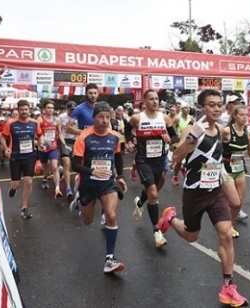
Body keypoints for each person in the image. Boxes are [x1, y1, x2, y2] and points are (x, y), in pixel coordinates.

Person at [157, 89, 248, 307]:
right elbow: (177, 157)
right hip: (195, 193)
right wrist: (192, 137)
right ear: (201, 108)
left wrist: (224, 175)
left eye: (219, 104)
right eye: (211, 104)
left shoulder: (221, 131)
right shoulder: (192, 128)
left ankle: (228, 286)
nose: (216, 108)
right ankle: (170, 219)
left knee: (226, 234)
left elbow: (217, 158)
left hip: (215, 191)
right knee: (191, 237)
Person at [71, 102, 128, 273]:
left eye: (107, 117)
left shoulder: (115, 136)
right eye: (100, 117)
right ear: (93, 118)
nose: (104, 120)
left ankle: (110, 259)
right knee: (87, 221)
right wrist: (92, 170)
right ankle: (79, 202)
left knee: (110, 215)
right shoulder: (84, 137)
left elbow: (118, 157)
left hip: (107, 184)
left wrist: (120, 176)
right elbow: (74, 165)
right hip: (88, 183)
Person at [125, 90, 178, 248]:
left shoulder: (165, 118)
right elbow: (127, 130)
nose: (155, 101)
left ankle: (140, 203)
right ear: (145, 102)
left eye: (157, 99)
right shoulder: (137, 118)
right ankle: (157, 232)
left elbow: (174, 137)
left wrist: (171, 139)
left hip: (160, 160)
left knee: (154, 190)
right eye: (151, 99)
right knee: (153, 193)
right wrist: (128, 143)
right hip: (144, 160)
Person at [222, 105, 250, 237]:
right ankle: (224, 222)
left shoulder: (248, 132)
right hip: (226, 169)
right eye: (242, 115)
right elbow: (214, 145)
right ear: (235, 116)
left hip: (240, 169)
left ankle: (230, 225)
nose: (245, 117)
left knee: (239, 201)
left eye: (246, 114)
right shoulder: (226, 131)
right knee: (234, 202)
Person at [0, 100, 44, 219]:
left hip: (30, 156)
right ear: (18, 110)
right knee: (16, 184)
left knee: (29, 182)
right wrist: (5, 149)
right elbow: (2, 137)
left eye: (26, 109)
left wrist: (41, 144)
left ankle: (25, 207)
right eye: (21, 110)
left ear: (29, 110)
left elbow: (40, 136)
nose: (24, 112)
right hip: (15, 157)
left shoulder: (34, 123)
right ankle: (13, 188)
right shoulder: (11, 123)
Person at [37, 100, 66, 198]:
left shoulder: (57, 120)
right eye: (48, 108)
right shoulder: (40, 120)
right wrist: (41, 143)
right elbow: (37, 134)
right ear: (44, 109)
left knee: (54, 167)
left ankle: (57, 189)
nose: (50, 110)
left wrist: (64, 143)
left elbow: (60, 133)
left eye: (52, 108)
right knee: (46, 169)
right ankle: (45, 178)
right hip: (43, 148)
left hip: (53, 147)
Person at [58, 101, 77, 200]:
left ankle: (78, 186)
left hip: (75, 142)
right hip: (65, 141)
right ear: (67, 109)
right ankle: (68, 188)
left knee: (76, 165)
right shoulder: (61, 117)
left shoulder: (79, 116)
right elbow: (59, 131)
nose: (72, 111)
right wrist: (62, 143)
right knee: (66, 163)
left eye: (73, 109)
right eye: (70, 109)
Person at [171, 102, 192, 186]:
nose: (188, 109)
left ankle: (184, 168)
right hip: (179, 142)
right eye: (186, 108)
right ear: (182, 109)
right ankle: (175, 176)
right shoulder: (177, 118)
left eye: (188, 108)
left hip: (188, 142)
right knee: (178, 162)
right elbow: (171, 130)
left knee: (189, 160)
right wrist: (173, 141)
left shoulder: (191, 118)